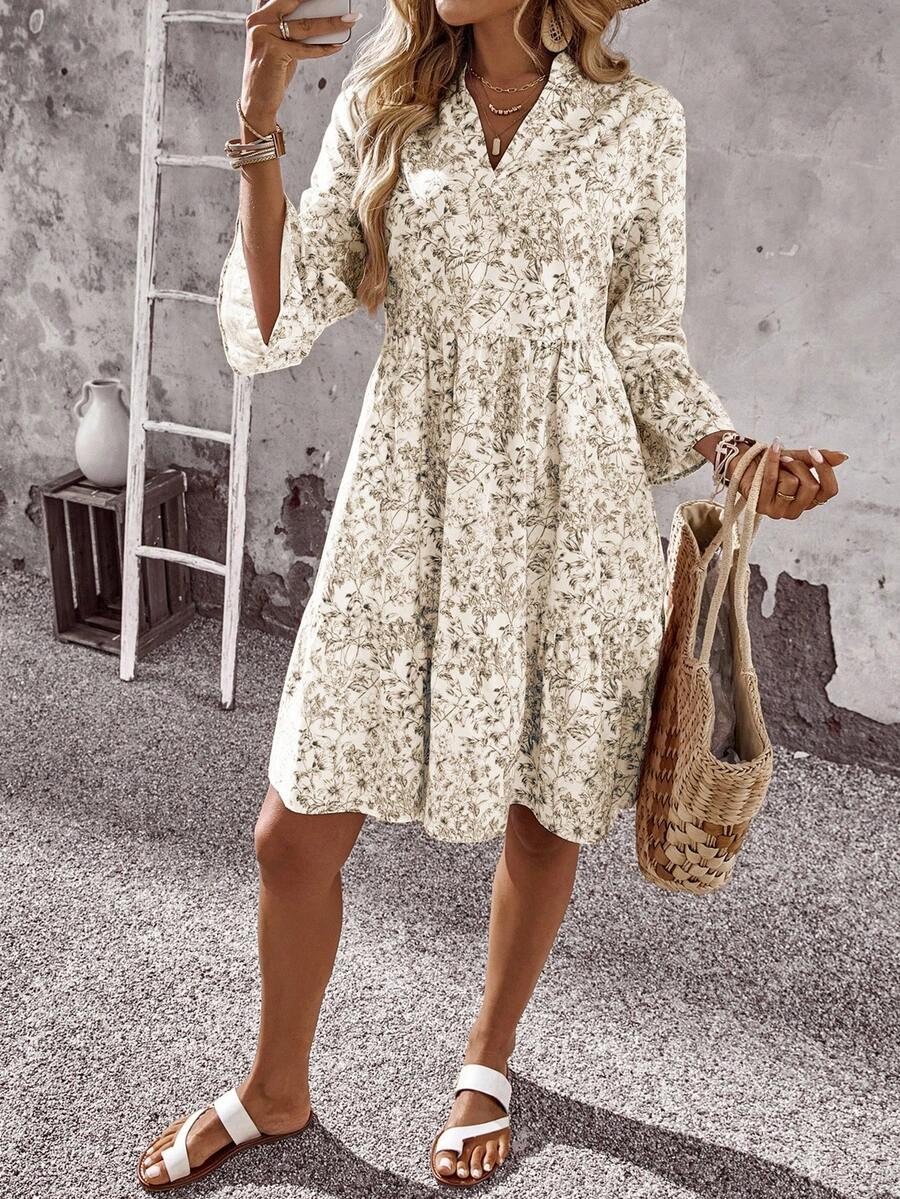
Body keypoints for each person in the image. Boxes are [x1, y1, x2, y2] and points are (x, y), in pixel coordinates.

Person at [137, 0, 847, 1189]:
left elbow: (647, 351)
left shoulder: (638, 123)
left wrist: (737, 457)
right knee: (291, 832)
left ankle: (488, 1058)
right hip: (409, 500)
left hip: (574, 513)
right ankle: (274, 1085)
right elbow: (273, 316)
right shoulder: (387, 105)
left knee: (547, 794)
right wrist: (257, 127)